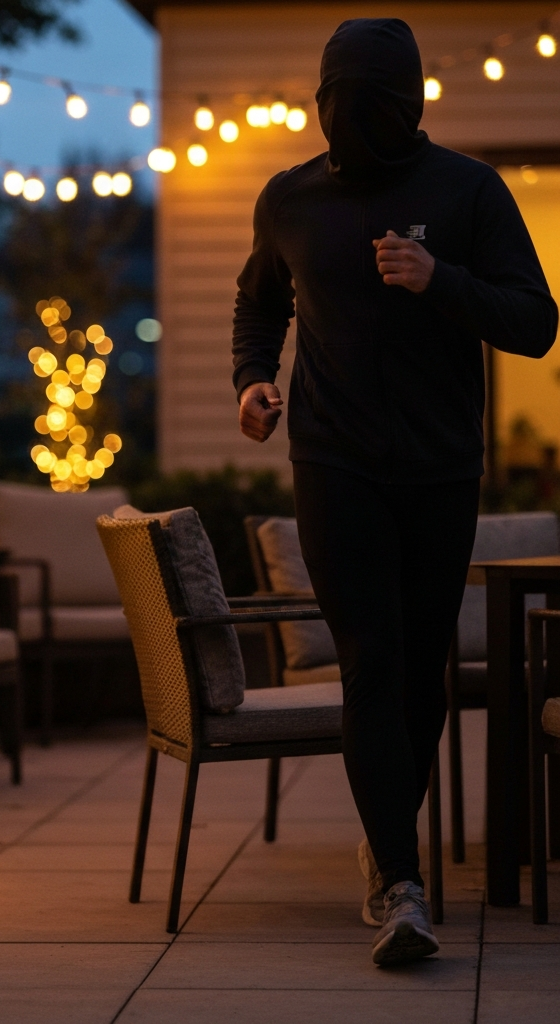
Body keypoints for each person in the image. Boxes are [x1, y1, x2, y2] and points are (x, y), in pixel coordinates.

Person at [232, 17, 557, 966]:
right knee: (372, 660)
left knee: (419, 673)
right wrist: (255, 380)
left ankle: (386, 852)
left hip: (442, 467)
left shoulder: (468, 190)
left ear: (409, 103)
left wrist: (438, 277)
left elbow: (536, 323)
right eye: (341, 106)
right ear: (323, 103)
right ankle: (403, 887)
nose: (354, 125)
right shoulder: (291, 198)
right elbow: (261, 300)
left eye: (372, 106)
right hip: (334, 464)